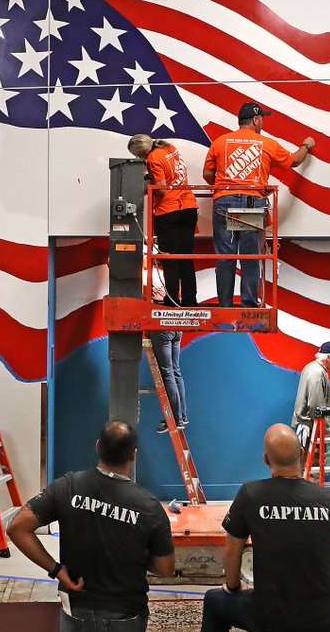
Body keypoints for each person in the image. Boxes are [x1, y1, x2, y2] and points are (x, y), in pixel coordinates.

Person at [7, 420, 175, 632]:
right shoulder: (149, 507)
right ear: (133, 454)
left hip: (76, 609)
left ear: (97, 446)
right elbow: (165, 568)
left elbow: (17, 527)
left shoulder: (68, 486)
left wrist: (56, 570)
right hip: (125, 613)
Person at [195, 424, 330, 632]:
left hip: (267, 613)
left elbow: (231, 551)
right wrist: (319, 597)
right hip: (318, 618)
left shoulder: (251, 494)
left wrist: (233, 586)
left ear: (266, 460)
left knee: (214, 602)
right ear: (301, 453)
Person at [203, 102, 314, 308]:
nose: (263, 122)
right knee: (250, 256)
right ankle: (248, 305)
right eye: (262, 118)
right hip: (251, 204)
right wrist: (307, 145)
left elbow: (208, 174)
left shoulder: (220, 142)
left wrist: (226, 187)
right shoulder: (266, 143)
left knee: (225, 256)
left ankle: (225, 306)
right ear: (255, 120)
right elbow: (295, 161)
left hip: (224, 202)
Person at [127, 134, 198, 307]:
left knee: (169, 259)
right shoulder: (169, 148)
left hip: (169, 211)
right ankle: (190, 301)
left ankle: (172, 300)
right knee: (186, 257)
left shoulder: (152, 158)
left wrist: (145, 187)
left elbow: (162, 188)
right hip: (189, 206)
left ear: (140, 153)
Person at [292, 342, 330, 447]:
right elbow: (316, 405)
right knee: (315, 462)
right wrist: (326, 430)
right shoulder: (317, 373)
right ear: (329, 357)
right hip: (312, 429)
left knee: (306, 460)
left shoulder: (312, 367)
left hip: (309, 426)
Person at [149, 330, 188, 432]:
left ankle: (176, 419)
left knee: (167, 373)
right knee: (175, 371)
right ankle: (182, 417)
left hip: (162, 329)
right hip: (177, 329)